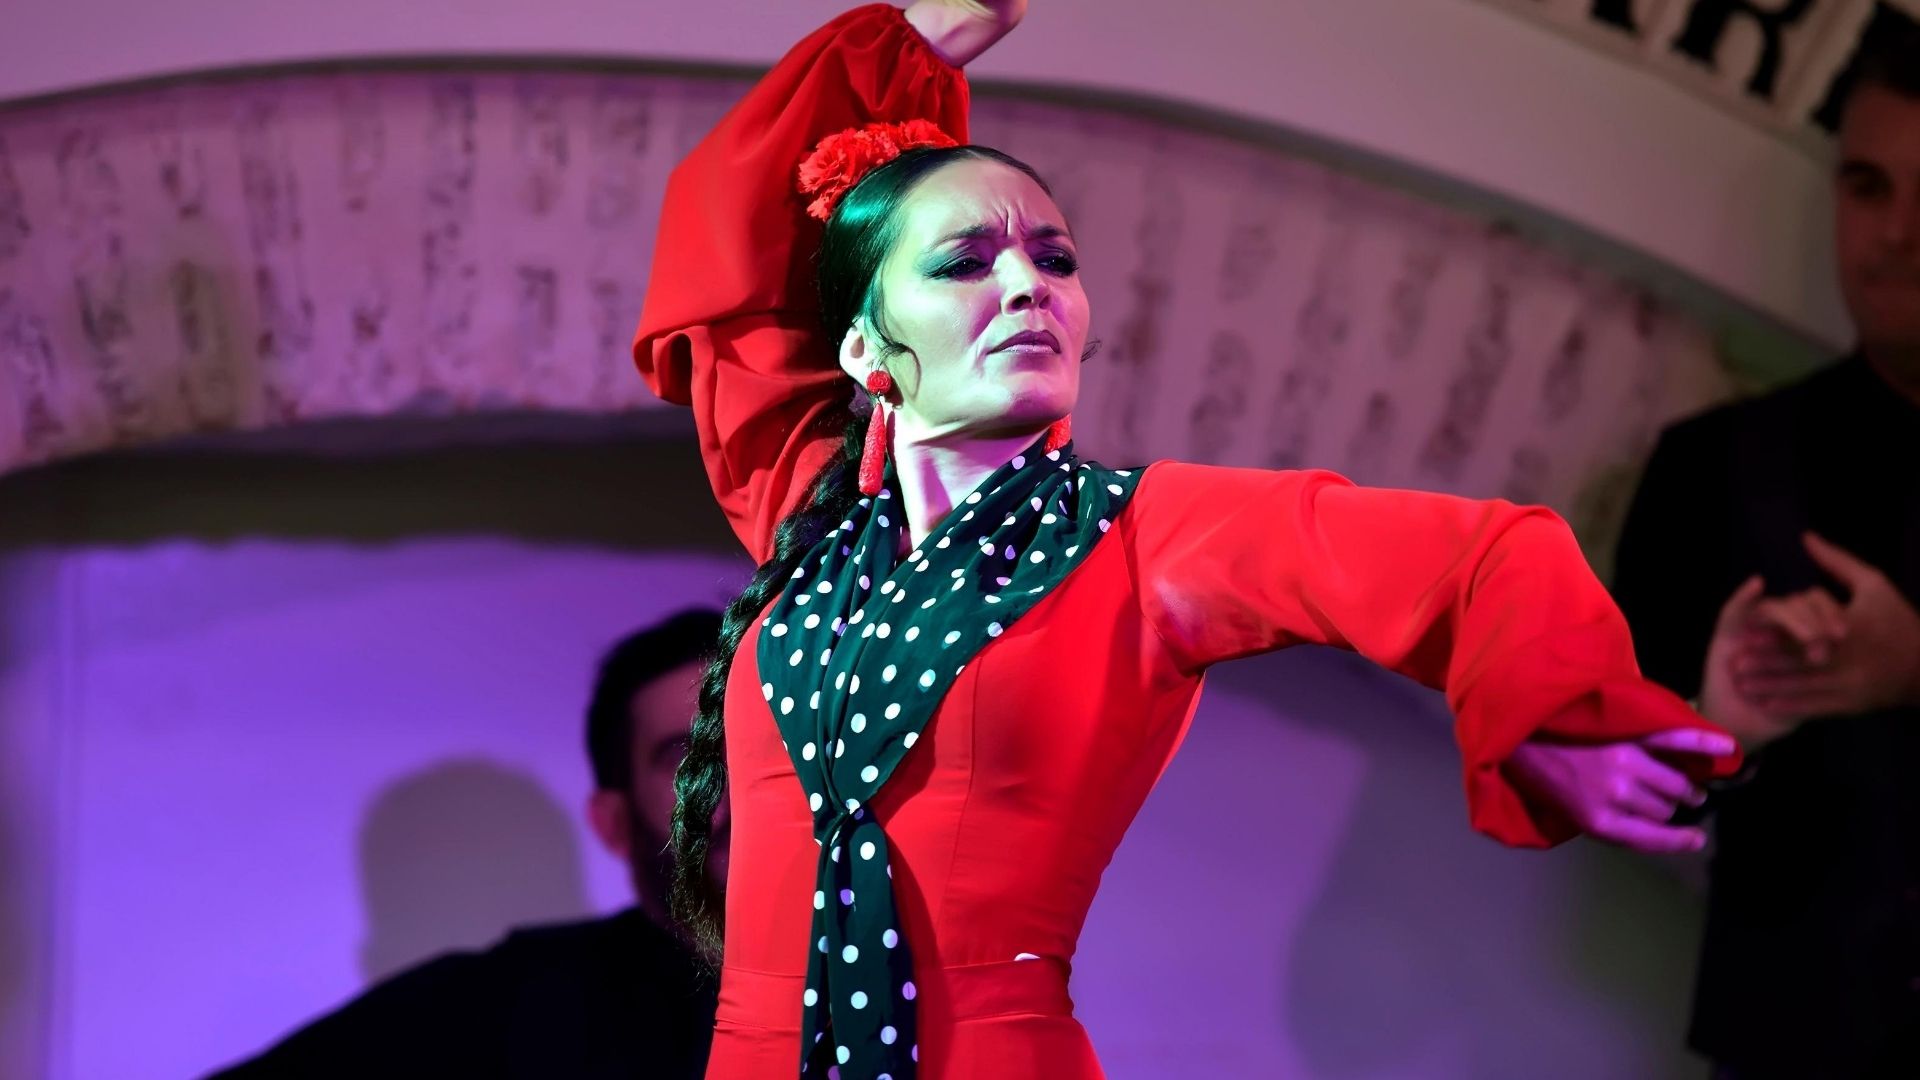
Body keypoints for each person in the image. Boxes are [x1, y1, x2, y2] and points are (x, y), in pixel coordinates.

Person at [632, 4, 1742, 1078]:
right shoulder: (808, 509)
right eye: (966, 262)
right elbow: (732, 239)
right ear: (869, 348)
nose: (1027, 284)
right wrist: (909, 46)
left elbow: (1469, 556)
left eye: (1055, 260)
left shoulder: (1141, 537)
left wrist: (1545, 698)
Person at [1612, 19, 1920, 1079]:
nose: (1900, 232)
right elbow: (1617, 792)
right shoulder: (1715, 467)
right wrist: (1708, 728)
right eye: (1870, 187)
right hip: (1788, 1048)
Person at [206, 609, 726, 1080]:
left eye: (757, 744)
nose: (734, 784)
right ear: (614, 823)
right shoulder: (528, 1003)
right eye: (688, 757)